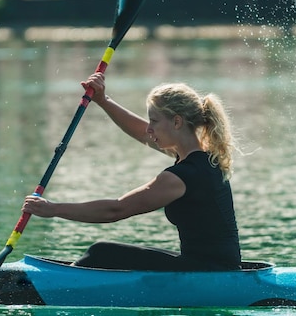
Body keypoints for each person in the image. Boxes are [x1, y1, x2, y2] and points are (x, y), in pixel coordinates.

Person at [22, 72, 241, 271]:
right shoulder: (206, 158)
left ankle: (61, 283)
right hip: (214, 267)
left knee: (102, 252)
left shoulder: (179, 178)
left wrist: (53, 209)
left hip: (209, 274)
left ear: (177, 122)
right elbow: (142, 134)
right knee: (109, 254)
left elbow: (116, 210)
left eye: (154, 121)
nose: (149, 128)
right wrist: (103, 100)